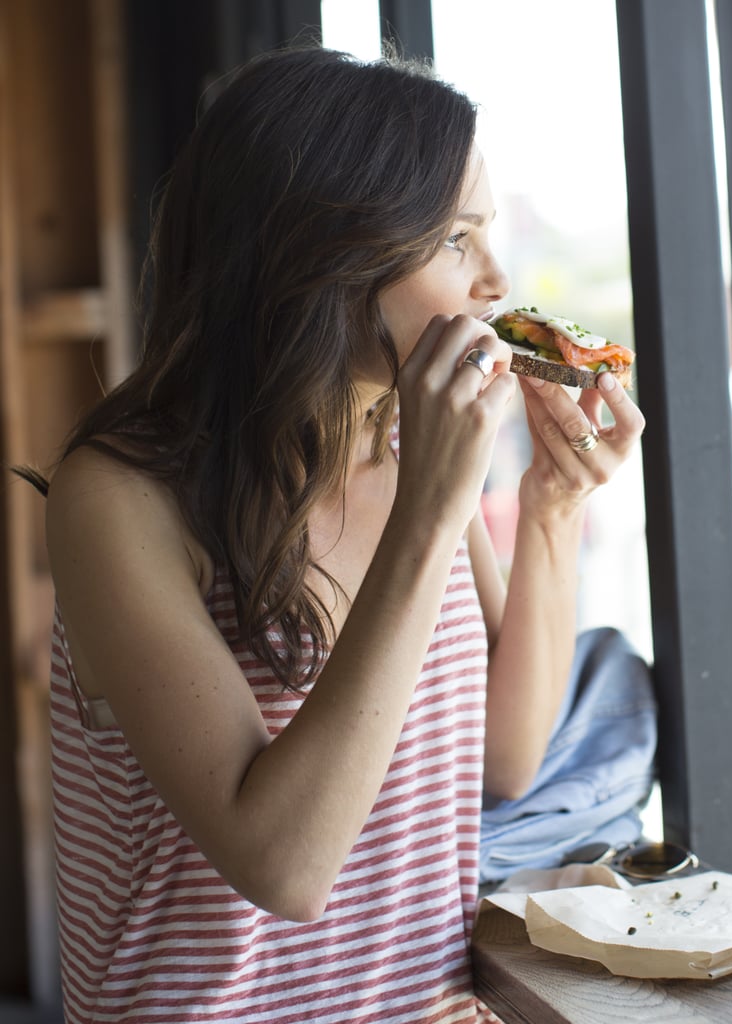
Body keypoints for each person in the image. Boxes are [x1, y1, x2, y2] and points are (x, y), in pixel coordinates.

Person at [28, 44, 645, 1023]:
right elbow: (283, 863)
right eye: (455, 239)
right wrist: (432, 508)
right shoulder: (118, 497)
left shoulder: (408, 446)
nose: (495, 279)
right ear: (324, 253)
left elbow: (501, 761)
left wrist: (550, 509)